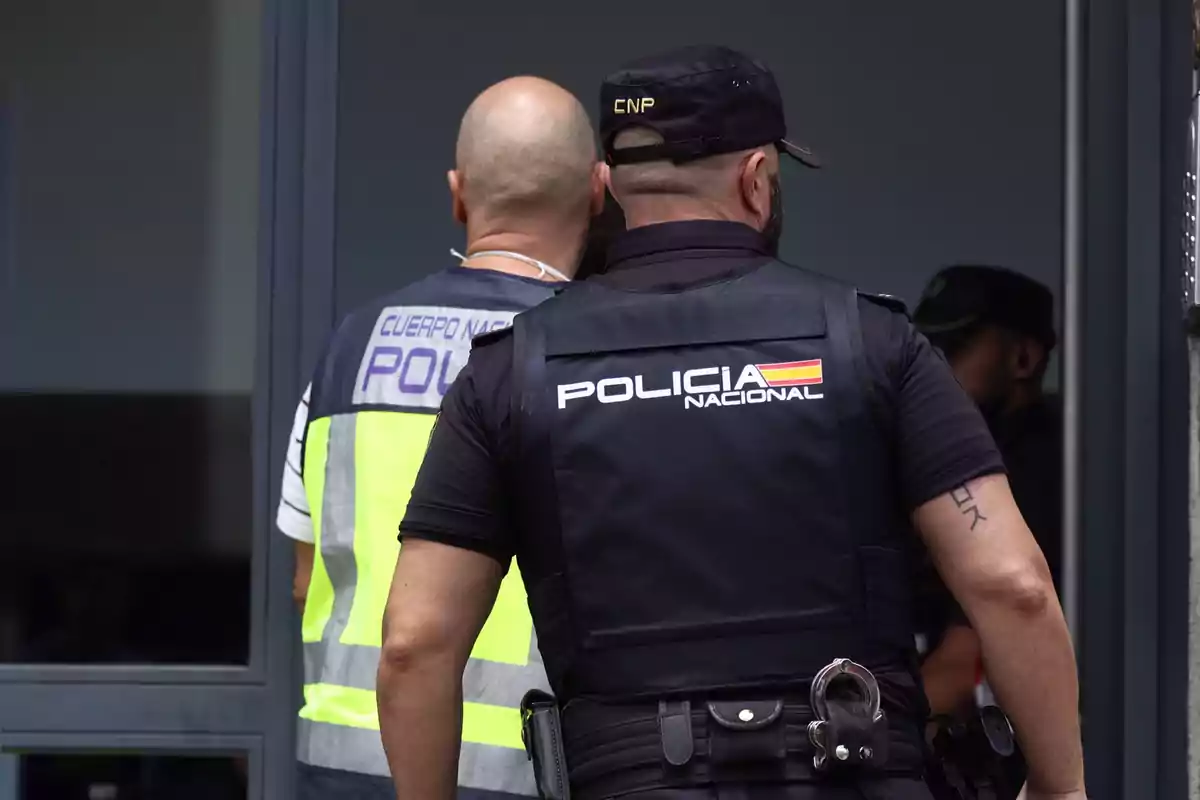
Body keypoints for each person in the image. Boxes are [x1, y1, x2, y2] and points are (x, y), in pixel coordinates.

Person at [379, 45, 1085, 800]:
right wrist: (1059, 785)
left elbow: (416, 644)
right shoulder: (873, 345)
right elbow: (1013, 587)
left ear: (608, 187)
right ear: (756, 180)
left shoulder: (509, 371)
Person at [275, 75, 605, 799]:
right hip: (533, 770)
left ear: (458, 193)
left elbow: (306, 580)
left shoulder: (349, 348)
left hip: (344, 764)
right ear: (598, 191)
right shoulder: (594, 361)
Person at [911, 266, 1063, 797]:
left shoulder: (1040, 468)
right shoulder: (941, 452)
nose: (933, 369)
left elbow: (960, 667)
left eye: (953, 349)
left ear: (1022, 358)